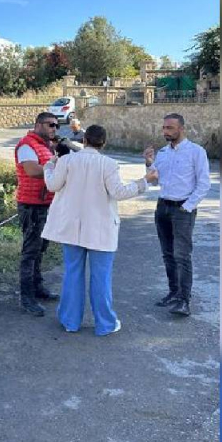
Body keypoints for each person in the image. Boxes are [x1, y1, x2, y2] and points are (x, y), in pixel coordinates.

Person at [42, 125, 158, 335]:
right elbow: (119, 192)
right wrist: (144, 182)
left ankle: (70, 321)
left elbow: (52, 185)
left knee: (72, 274)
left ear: (84, 140)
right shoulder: (109, 164)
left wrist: (49, 166)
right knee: (101, 278)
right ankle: (105, 324)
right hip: (101, 229)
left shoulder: (66, 161)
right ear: (103, 143)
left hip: (72, 228)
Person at [143, 113, 211, 317]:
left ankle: (184, 301)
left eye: (170, 128)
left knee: (182, 255)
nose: (165, 131)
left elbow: (204, 183)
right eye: (164, 127)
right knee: (167, 254)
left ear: (181, 128)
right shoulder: (163, 153)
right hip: (162, 206)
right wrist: (149, 163)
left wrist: (188, 206)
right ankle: (173, 293)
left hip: (183, 208)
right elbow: (155, 180)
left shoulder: (196, 152)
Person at [14, 112, 61, 316]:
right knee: (30, 252)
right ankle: (26, 298)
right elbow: (32, 170)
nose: (54, 129)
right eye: (51, 124)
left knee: (41, 249)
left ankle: (37, 287)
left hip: (45, 204)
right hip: (31, 205)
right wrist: (57, 167)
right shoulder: (27, 145)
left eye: (56, 125)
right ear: (38, 124)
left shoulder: (46, 146)